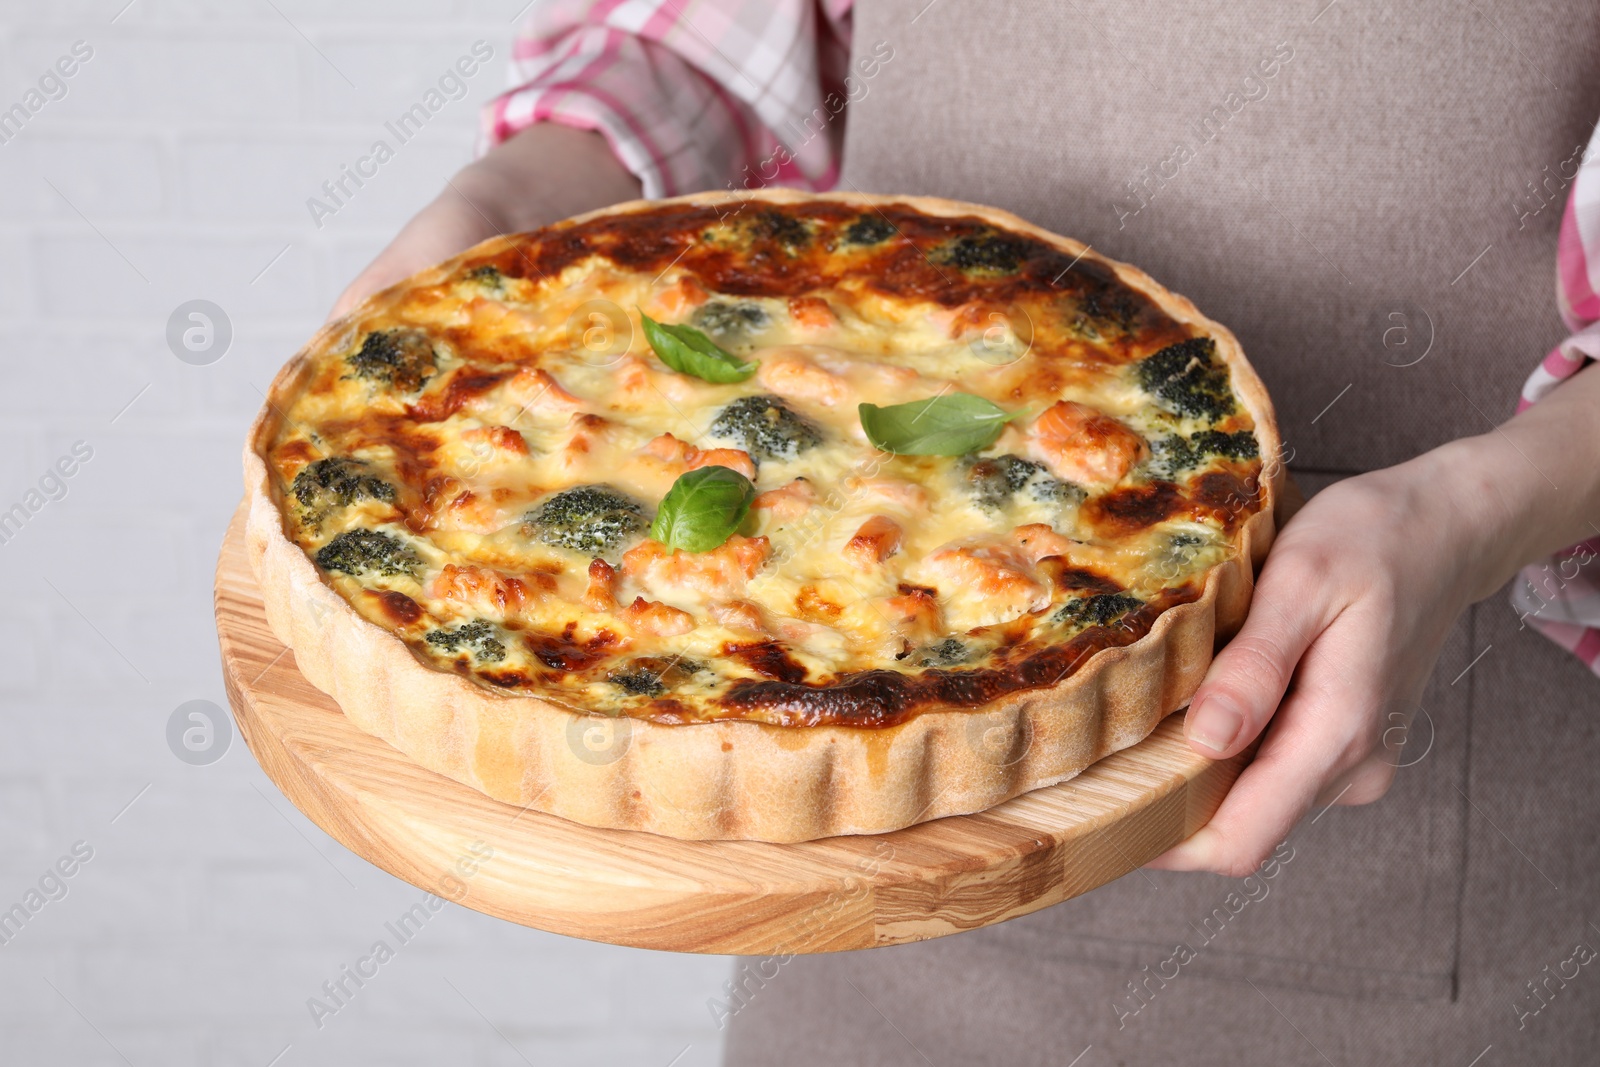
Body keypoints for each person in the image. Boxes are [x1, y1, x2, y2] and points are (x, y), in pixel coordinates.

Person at [335, 2, 1600, 1061]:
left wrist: (1478, 509)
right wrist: (505, 203)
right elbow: (706, 38)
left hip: (1441, 844)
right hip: (855, 947)